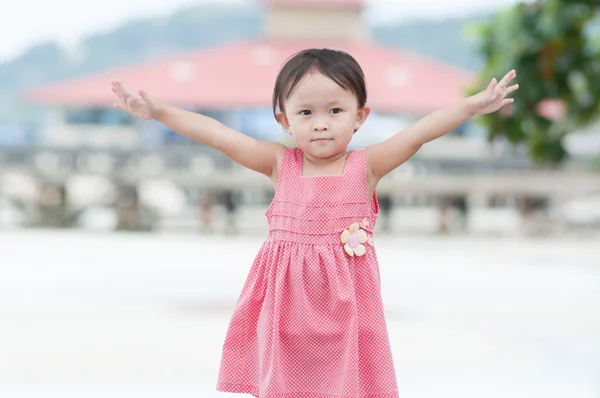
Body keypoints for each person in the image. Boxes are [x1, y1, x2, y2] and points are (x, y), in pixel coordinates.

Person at [111, 48, 518, 398]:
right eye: (305, 112)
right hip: (284, 311)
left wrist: (472, 106)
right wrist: (158, 111)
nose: (320, 122)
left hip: (346, 311)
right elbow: (218, 135)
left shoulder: (367, 166)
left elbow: (418, 133)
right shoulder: (278, 163)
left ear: (360, 116)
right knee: (284, 385)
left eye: (335, 111)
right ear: (284, 120)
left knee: (344, 386)